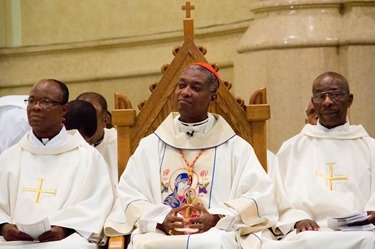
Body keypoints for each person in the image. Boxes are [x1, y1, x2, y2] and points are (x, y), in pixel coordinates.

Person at [104, 62, 278, 249]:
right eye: (181, 85)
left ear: (213, 97)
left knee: (217, 242)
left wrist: (217, 217)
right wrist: (160, 218)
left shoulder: (236, 148)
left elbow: (259, 194)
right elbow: (128, 193)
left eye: (195, 88)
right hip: (161, 232)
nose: (185, 92)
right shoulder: (151, 146)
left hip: (215, 232)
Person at [263, 72, 375, 248]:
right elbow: (277, 197)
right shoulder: (292, 147)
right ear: (313, 101)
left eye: (335, 94)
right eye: (320, 96)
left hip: (360, 231)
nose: (327, 101)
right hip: (309, 231)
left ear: (350, 100)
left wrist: (372, 213)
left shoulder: (369, 147)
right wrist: (298, 219)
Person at [0, 79, 114, 249]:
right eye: (32, 101)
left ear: (64, 110)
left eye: (46, 102)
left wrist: (65, 229)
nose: (36, 107)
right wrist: (4, 227)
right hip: (12, 242)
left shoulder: (87, 157)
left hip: (64, 241)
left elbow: (98, 204)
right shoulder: (10, 157)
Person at [76, 92, 118, 187]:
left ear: (106, 121)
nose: (84, 126)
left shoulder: (121, 144)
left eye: (91, 119)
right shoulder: (65, 144)